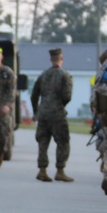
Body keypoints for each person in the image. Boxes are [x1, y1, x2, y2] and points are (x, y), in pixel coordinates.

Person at [31, 48, 73, 182]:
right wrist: (60, 105)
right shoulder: (64, 75)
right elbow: (67, 96)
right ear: (62, 58)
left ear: (51, 59)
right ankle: (60, 170)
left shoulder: (43, 75)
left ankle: (42, 170)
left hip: (43, 113)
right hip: (57, 114)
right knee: (63, 141)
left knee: (43, 142)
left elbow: (33, 95)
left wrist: (36, 111)